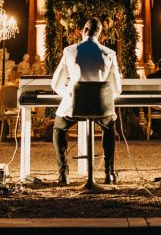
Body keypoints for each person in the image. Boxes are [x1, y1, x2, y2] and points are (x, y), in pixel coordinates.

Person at [51, 18, 122, 185]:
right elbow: (117, 88)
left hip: (75, 104)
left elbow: (56, 82)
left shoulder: (69, 50)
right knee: (109, 127)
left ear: (84, 29)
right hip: (100, 105)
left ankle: (63, 174)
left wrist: (66, 92)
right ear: (99, 32)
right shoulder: (109, 53)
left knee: (58, 129)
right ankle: (109, 173)